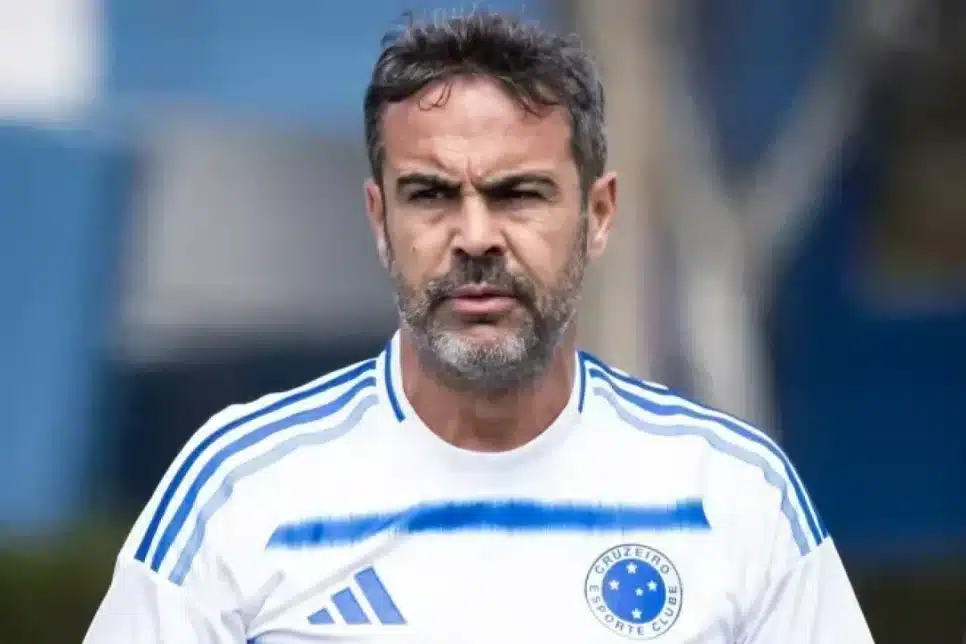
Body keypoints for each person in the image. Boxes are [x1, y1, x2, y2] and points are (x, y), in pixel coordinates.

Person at [84, 11, 874, 643]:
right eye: (430, 195)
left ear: (599, 215)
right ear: (380, 220)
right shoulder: (237, 490)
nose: (475, 237)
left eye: (518, 194)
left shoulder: (731, 493)